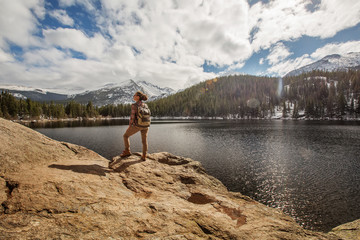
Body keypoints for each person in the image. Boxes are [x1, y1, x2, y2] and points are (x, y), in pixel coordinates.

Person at [120, 91, 149, 161]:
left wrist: (129, 126)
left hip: (138, 125)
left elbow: (132, 117)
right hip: (146, 125)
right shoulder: (145, 105)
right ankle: (144, 155)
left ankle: (127, 151)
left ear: (138, 97)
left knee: (125, 136)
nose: (133, 96)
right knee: (144, 141)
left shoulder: (134, 105)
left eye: (134, 95)